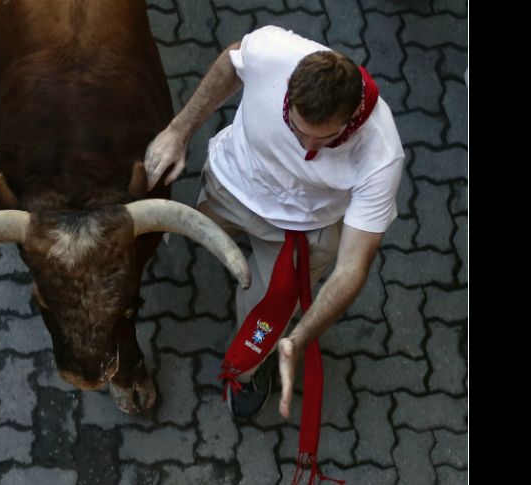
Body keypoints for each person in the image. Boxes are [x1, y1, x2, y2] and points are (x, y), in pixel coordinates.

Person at [144, 25, 404, 421]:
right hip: (231, 185)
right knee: (194, 238)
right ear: (287, 92)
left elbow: (352, 267)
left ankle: (247, 367)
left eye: (325, 140)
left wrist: (300, 338)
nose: (306, 148)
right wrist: (178, 131)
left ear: (353, 116)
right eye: (298, 130)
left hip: (300, 230)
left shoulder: (381, 154)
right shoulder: (270, 51)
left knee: (265, 323)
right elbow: (231, 63)